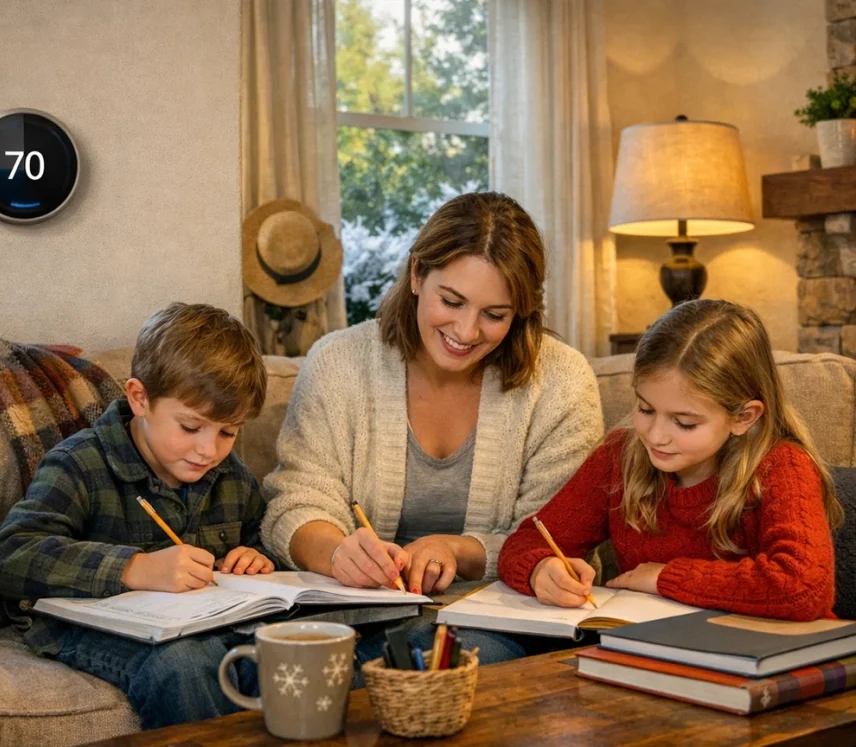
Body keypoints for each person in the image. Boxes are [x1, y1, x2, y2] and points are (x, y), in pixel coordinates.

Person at [261, 191, 604, 665]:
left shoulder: (561, 382)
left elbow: (557, 535)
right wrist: (339, 552)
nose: (466, 331)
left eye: (494, 315)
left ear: (522, 311)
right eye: (452, 301)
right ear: (418, 273)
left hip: (498, 622)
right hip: (354, 614)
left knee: (431, 668)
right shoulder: (338, 363)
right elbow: (297, 502)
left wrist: (456, 551)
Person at [0, 302, 275, 728]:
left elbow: (263, 537)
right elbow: (7, 557)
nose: (208, 451)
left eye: (228, 432)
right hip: (104, 632)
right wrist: (133, 568)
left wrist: (257, 556)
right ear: (140, 398)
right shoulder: (79, 464)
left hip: (207, 629)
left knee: (279, 651)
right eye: (191, 428)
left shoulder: (231, 476)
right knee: (185, 667)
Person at [499, 299, 843, 622]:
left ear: (744, 417)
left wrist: (665, 577)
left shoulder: (782, 466)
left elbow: (803, 586)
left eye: (684, 423)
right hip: (656, 654)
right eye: (646, 409)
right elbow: (529, 540)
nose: (656, 435)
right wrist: (540, 568)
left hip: (776, 663)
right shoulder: (620, 456)